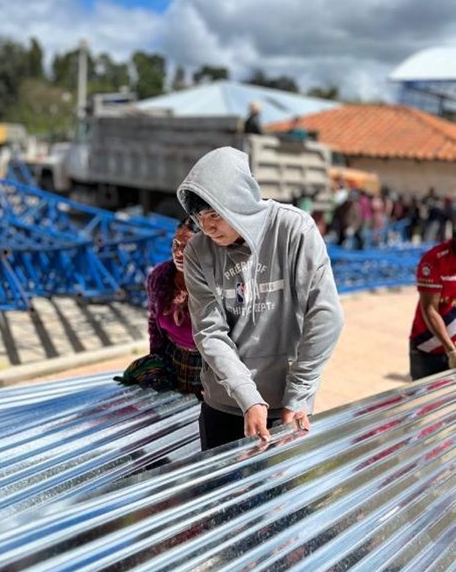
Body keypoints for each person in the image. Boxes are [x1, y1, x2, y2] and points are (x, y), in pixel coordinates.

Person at [177, 146, 344, 451]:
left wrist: (298, 393)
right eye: (200, 217)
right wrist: (248, 397)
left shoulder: (294, 230)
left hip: (289, 405)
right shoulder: (199, 252)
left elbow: (325, 316)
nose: (208, 227)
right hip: (226, 403)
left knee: (286, 481)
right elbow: (209, 332)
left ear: (239, 203)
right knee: (222, 481)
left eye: (216, 215)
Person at [115, 217, 203, 396]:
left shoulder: (216, 282)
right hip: (172, 360)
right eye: (175, 245)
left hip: (208, 366)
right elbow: (154, 322)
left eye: (187, 247)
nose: (178, 253)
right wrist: (157, 361)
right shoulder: (160, 276)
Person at [409, 237, 456, 379]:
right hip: (428, 350)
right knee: (424, 393)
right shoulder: (434, 259)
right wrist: (451, 351)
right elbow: (430, 309)